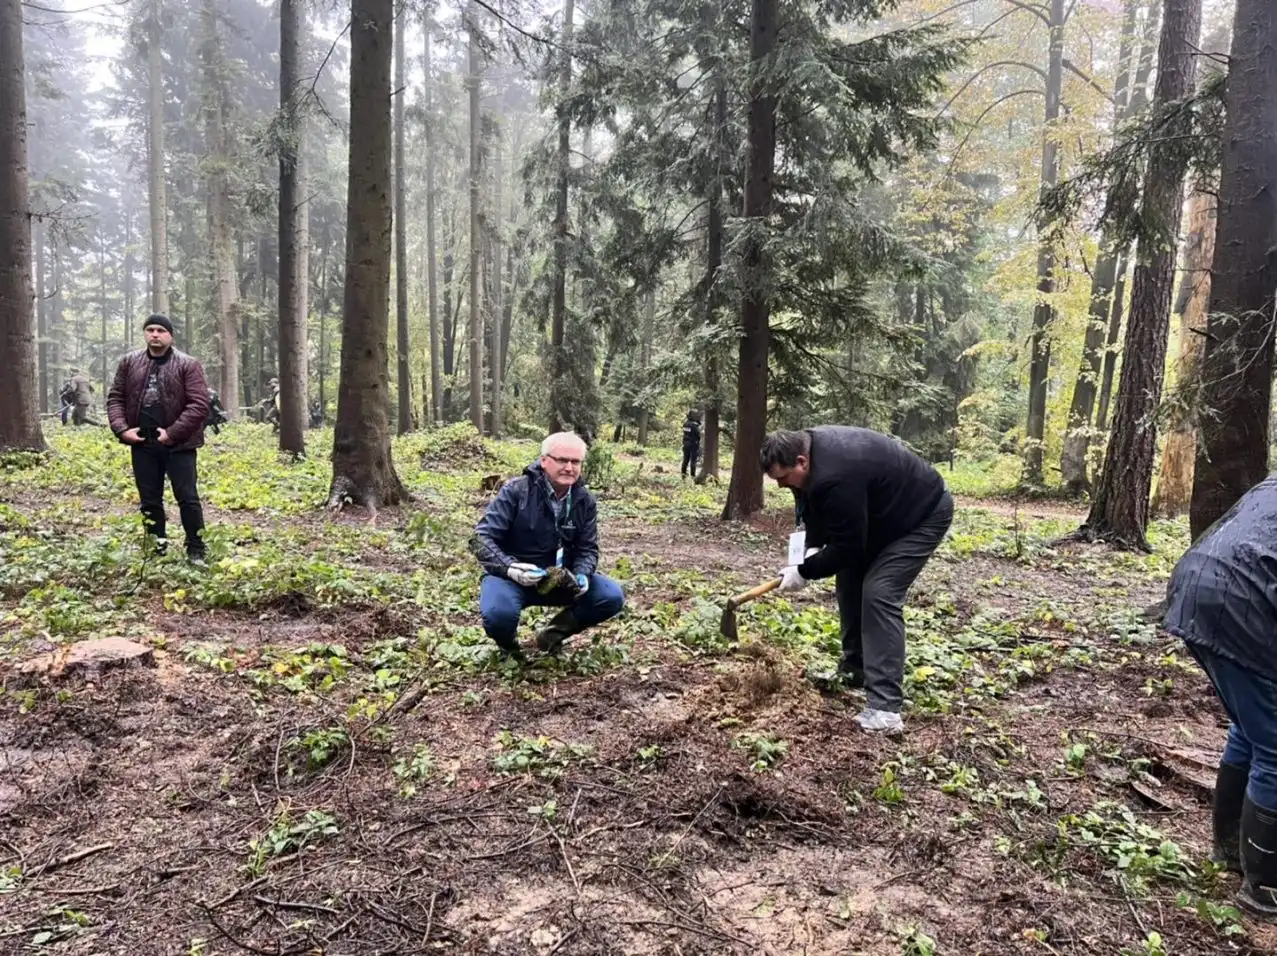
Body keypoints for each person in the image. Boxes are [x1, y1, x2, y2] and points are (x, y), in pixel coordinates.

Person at [760, 427, 954, 734]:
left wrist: (805, 571)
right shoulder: (810, 454)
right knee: (849, 581)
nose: (782, 485)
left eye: (783, 478)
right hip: (880, 516)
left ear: (801, 461)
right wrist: (809, 549)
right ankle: (855, 670)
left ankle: (885, 708)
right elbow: (815, 507)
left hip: (921, 515)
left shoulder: (837, 475)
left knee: (879, 593)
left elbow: (849, 547)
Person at [1164, 477, 1277, 920]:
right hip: (1242, 599)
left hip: (1195, 584)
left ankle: (1230, 850)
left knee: (1250, 730)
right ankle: (1265, 886)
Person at [470, 431, 625, 659]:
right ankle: (509, 647)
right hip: (513, 579)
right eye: (562, 460)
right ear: (544, 461)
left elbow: (588, 548)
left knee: (611, 595)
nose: (569, 468)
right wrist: (510, 568)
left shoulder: (584, 500)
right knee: (498, 613)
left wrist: (581, 574)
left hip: (561, 581)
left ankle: (552, 635)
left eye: (576, 462)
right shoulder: (516, 491)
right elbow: (481, 539)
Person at [107, 314, 212, 564]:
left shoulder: (188, 364)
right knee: (149, 500)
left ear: (170, 335)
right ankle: (156, 547)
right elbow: (115, 398)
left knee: (187, 498)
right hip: (143, 444)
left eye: (161, 330)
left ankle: (196, 548)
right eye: (150, 330)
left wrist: (172, 433)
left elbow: (199, 405)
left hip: (180, 445)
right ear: (145, 333)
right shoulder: (129, 362)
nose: (155, 334)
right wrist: (122, 430)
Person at [681, 410, 702, 480]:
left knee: (685, 460)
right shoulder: (694, 426)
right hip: (693, 445)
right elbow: (698, 435)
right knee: (693, 461)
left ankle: (683, 475)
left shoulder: (685, 424)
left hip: (685, 444)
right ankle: (693, 476)